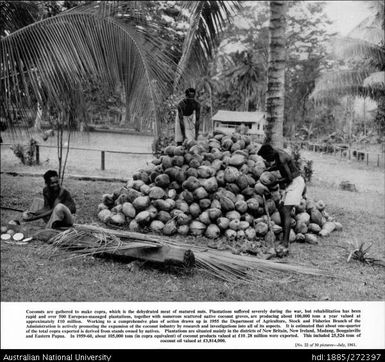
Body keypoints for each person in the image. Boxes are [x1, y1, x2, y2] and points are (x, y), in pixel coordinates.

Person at [257, 143, 306, 256]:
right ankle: (285, 237)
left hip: (296, 183)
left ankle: (285, 243)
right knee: (281, 207)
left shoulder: (281, 157)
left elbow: (288, 178)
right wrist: (269, 169)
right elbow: (280, 166)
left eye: (266, 158)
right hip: (292, 183)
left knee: (286, 210)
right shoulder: (276, 153)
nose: (267, 160)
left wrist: (275, 182)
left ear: (270, 153)